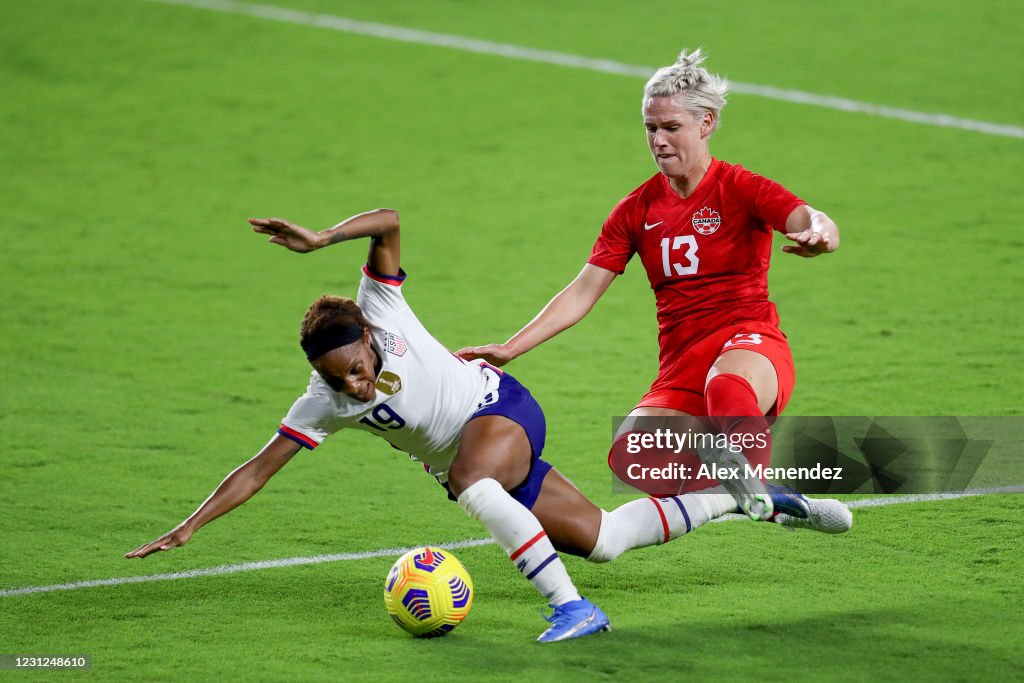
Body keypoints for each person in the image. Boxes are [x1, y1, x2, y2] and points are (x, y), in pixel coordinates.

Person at [124, 208, 826, 644]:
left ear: (368, 335)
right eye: (342, 381)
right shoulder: (325, 398)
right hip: (479, 466)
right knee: (605, 539)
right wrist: (191, 524)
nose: (356, 384)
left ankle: (573, 612)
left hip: (501, 411)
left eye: (358, 368)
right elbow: (257, 467)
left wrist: (323, 238)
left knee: (466, 477)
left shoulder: (382, 306)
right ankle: (745, 497)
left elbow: (390, 218)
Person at [458, 48, 851, 531]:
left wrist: (821, 233)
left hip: (749, 344)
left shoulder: (740, 187)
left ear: (706, 124)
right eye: (650, 128)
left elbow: (808, 217)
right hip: (682, 360)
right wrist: (510, 347)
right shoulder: (635, 210)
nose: (658, 141)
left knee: (726, 386)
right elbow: (582, 292)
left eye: (671, 128)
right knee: (632, 454)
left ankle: (755, 483)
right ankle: (767, 498)